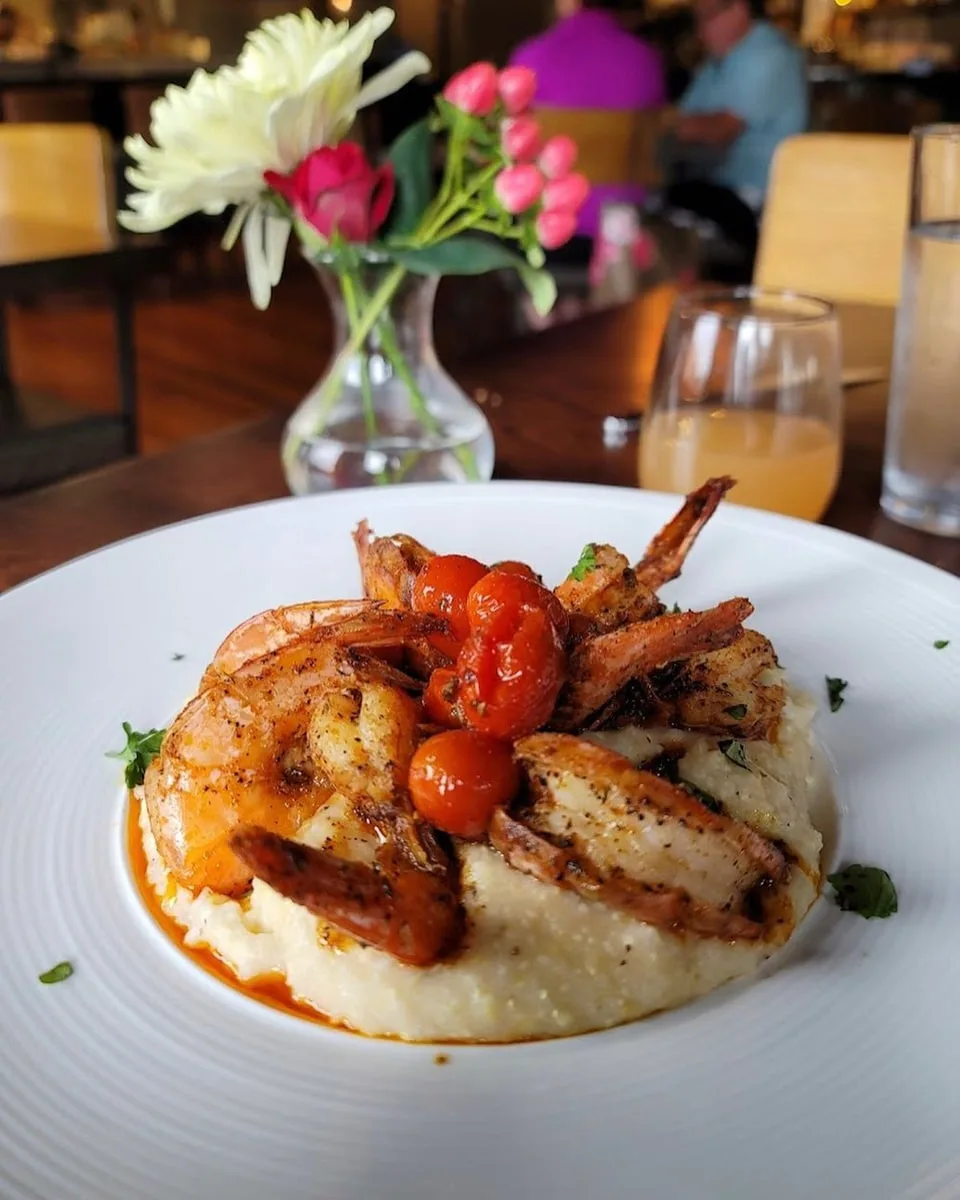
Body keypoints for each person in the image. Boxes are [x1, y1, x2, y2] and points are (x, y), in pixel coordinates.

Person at [508, 0, 666, 255]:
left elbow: (511, 153)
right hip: (620, 243)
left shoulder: (529, 57)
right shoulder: (646, 60)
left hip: (542, 239)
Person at [661, 0, 807, 273]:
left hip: (757, 202)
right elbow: (683, 118)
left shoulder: (767, 54)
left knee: (661, 223)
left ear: (738, 9)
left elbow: (718, 129)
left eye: (706, 17)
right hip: (721, 189)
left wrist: (656, 122)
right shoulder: (720, 61)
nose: (700, 31)